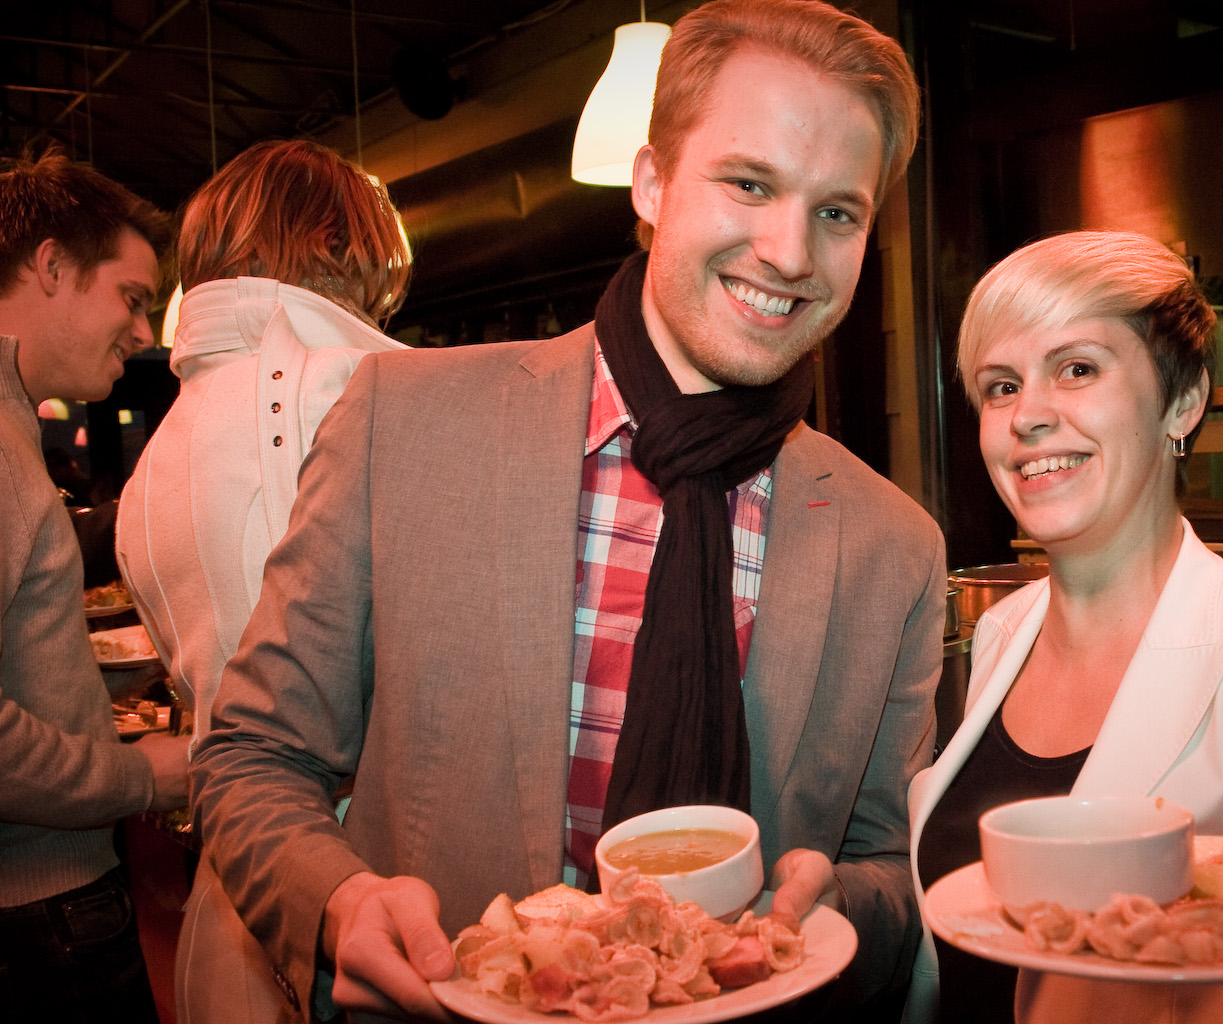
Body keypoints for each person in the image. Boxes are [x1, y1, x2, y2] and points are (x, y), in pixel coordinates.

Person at [191, 2, 943, 1023]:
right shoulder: (404, 425)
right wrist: (338, 902)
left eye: (838, 212)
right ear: (652, 182)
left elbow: (892, 869)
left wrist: (837, 905)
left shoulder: (894, 546)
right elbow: (254, 755)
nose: (790, 251)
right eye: (749, 183)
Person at [907, 231, 1223, 1024]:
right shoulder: (1002, 633)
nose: (1028, 416)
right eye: (1001, 387)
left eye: (1077, 369)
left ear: (1183, 402)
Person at [114, 138, 413, 1024]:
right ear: (329, 241)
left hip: (233, 880)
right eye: (367, 260)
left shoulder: (157, 453)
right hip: (364, 879)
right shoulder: (358, 388)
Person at [0, 148, 190, 1023]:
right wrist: (146, 775)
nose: (145, 333)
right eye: (133, 297)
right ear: (50, 266)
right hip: (40, 913)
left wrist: (95, 682)